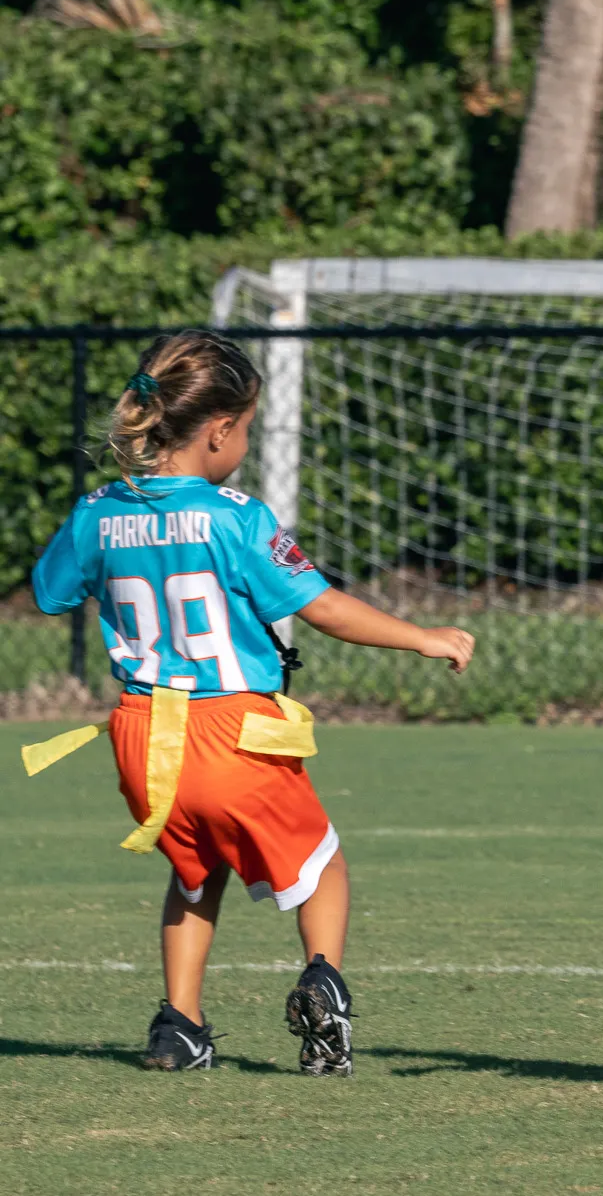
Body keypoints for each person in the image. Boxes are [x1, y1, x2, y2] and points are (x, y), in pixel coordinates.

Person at [24, 330, 475, 1074]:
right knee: (322, 867)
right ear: (219, 430)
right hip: (233, 729)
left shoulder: (97, 511)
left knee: (196, 873)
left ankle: (180, 1024)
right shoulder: (237, 516)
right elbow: (322, 607)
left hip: (142, 738)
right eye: (247, 430)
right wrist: (420, 636)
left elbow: (48, 593)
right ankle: (323, 986)